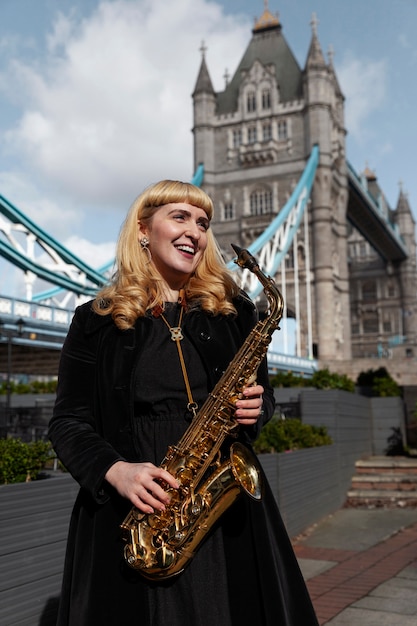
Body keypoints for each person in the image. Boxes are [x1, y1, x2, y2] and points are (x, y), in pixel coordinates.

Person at [49, 180, 318, 626]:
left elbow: (262, 397)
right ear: (142, 230)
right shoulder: (94, 320)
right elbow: (68, 422)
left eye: (203, 223)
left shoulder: (237, 314)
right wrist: (116, 470)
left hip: (220, 496)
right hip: (136, 506)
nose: (194, 231)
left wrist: (257, 407)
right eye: (179, 217)